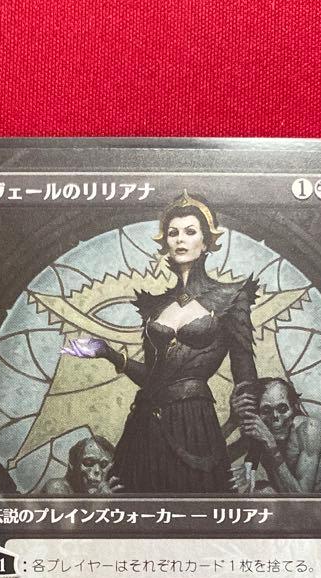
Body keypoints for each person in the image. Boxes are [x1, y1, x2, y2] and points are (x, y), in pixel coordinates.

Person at [62, 192, 257, 493]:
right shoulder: (153, 307)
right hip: (144, 423)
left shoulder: (232, 297)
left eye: (190, 231)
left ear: (206, 242)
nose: (180, 239)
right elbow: (153, 377)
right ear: (165, 241)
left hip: (194, 423)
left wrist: (252, 460)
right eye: (173, 232)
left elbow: (247, 384)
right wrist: (107, 352)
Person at [231, 378, 321, 494]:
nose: (275, 417)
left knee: (264, 491)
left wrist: (273, 449)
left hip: (319, 502)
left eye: (282, 409)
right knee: (260, 491)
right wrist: (232, 421)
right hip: (286, 497)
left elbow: (301, 498)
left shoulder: (310, 430)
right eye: (266, 411)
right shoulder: (261, 432)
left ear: (294, 407)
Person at [41, 435, 120, 495]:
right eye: (88, 463)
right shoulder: (57, 487)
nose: (97, 470)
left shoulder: (110, 488)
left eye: (104, 464)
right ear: (72, 463)